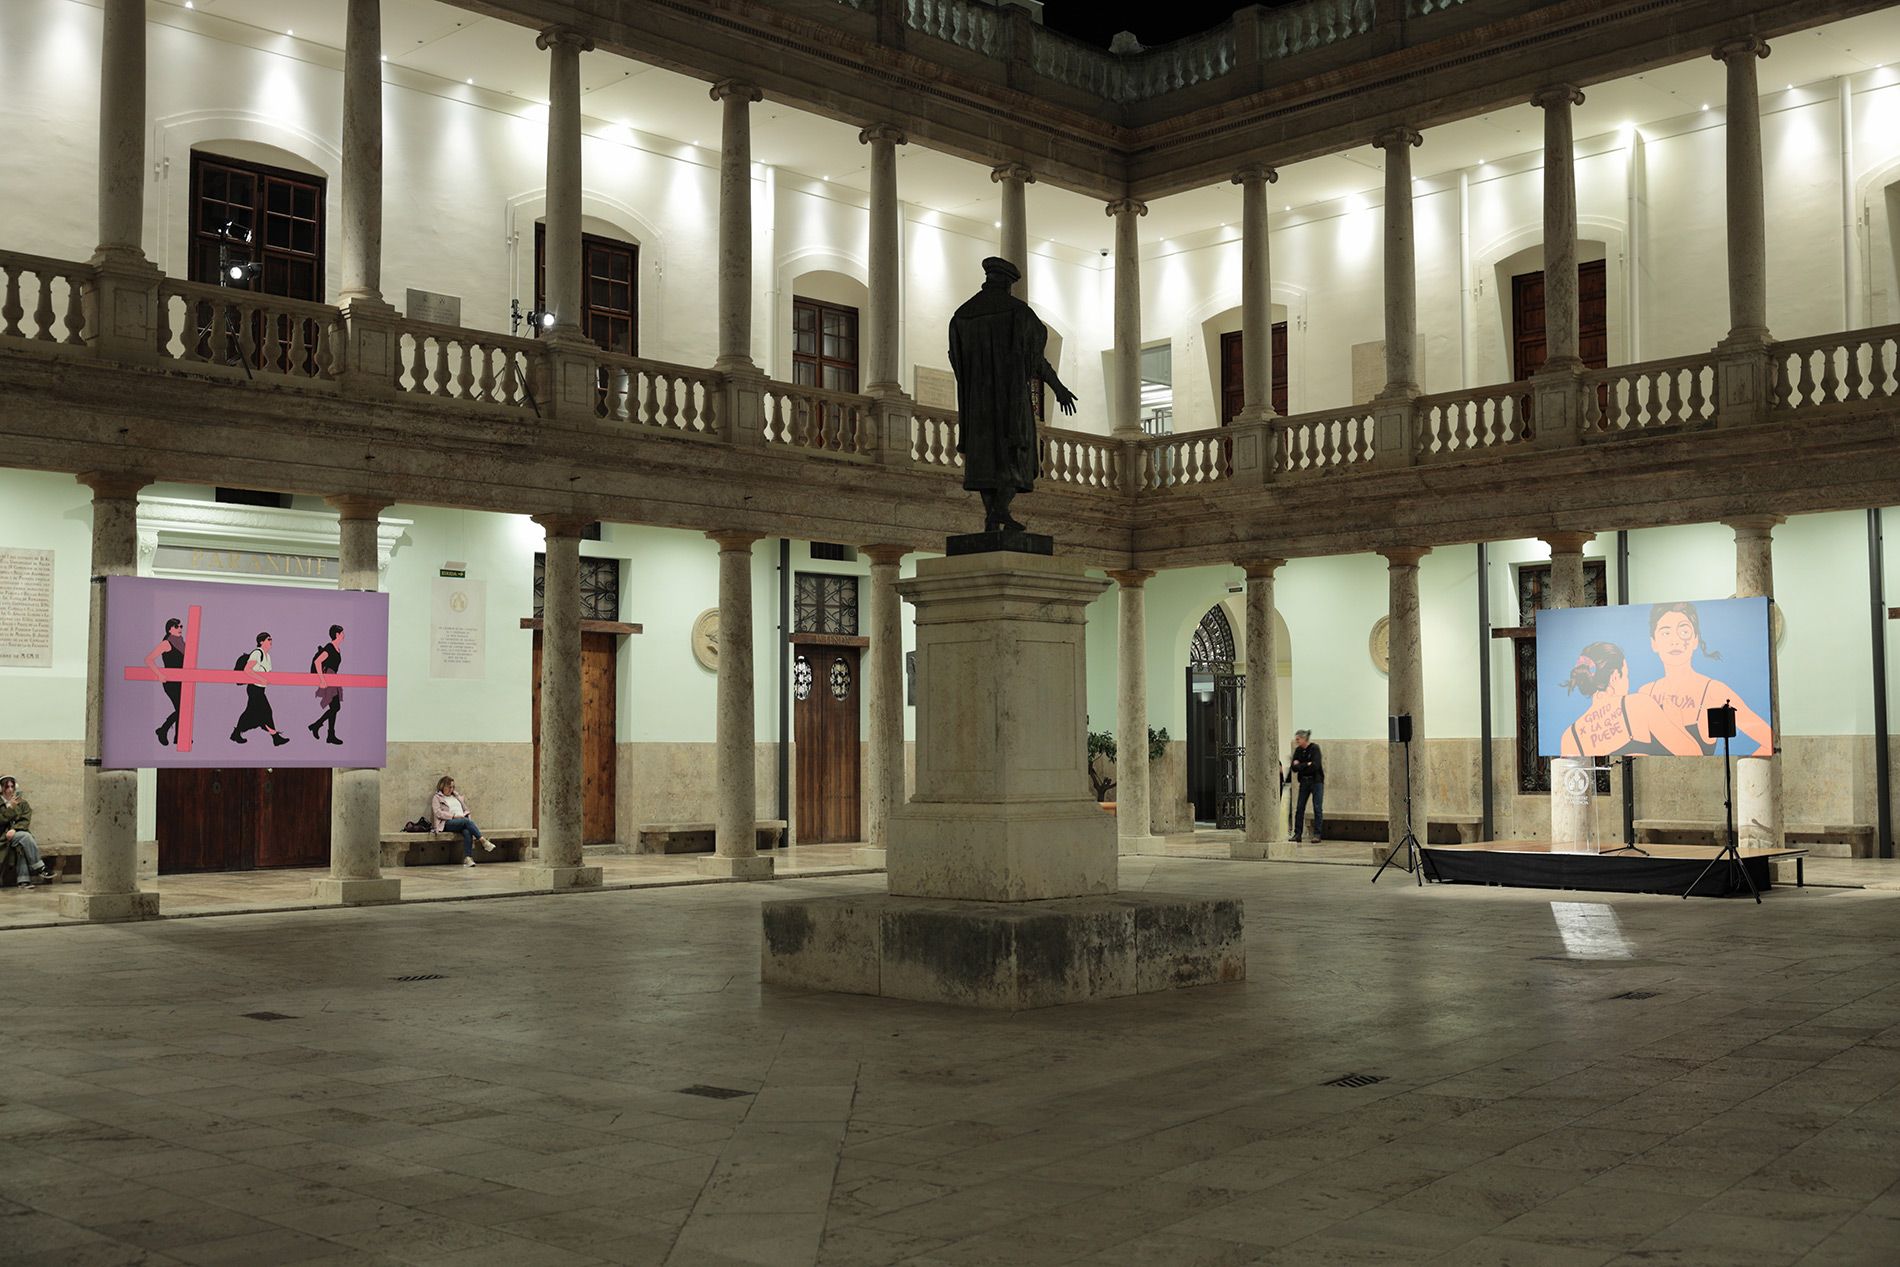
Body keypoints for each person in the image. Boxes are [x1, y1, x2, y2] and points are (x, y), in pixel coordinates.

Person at [947, 256, 1078, 533]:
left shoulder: (961, 316)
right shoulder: (1018, 313)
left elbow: (956, 362)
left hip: (977, 404)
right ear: (1007, 283)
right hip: (1010, 402)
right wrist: (1058, 388)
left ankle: (994, 516)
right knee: (1018, 458)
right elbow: (1036, 360)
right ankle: (999, 511)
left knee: (984, 463)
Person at [1635, 601, 1773, 756]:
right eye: (1666, 632)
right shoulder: (1646, 692)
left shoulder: (1714, 691)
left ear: (1695, 639)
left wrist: (1746, 772)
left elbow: (1768, 740)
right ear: (1654, 643)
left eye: (1684, 631)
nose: (1675, 641)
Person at [1558, 642, 1701, 757]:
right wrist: (1677, 723)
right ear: (1615, 676)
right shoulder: (1638, 705)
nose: (1628, 683)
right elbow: (1694, 754)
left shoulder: (1569, 737)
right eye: (1626, 675)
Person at [231, 632, 290, 747]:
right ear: (261, 642)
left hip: (260, 689)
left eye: (271, 639)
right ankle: (275, 737)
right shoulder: (257, 653)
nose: (271, 641)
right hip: (254, 688)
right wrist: (261, 679)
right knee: (267, 711)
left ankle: (236, 733)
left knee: (250, 713)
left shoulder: (267, 656)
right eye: (268, 639)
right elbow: (248, 670)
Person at [0, 776, 55, 887]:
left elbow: (25, 821)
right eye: (7, 787)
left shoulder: (23, 803)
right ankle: (40, 868)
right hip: (2, 837)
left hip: (16, 835)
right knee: (26, 837)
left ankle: (23, 881)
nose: (10, 790)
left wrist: (14, 830)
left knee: (23, 843)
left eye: (12, 786)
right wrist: (10, 808)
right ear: (1, 788)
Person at [432, 776, 493, 867]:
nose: (451, 789)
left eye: (453, 787)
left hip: (462, 821)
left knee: (467, 831)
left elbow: (466, 809)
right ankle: (483, 841)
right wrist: (453, 816)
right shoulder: (437, 798)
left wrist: (465, 814)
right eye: (449, 787)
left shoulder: (456, 797)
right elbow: (437, 813)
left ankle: (468, 858)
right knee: (466, 822)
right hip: (447, 822)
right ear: (442, 786)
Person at [146, 617, 186, 746]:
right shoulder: (166, 644)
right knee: (181, 709)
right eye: (176, 626)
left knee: (183, 709)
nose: (180, 629)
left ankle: (178, 737)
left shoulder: (182, 643)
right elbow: (149, 659)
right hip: (171, 682)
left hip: (182, 681)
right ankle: (163, 730)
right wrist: (159, 675)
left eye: (181, 626)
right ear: (169, 629)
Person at [309, 624, 345, 745]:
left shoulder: (337, 648)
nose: (344, 635)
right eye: (342, 633)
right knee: (335, 707)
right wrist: (322, 680)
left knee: (334, 708)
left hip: (333, 678)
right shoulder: (329, 647)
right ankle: (319, 726)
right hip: (328, 678)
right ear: (337, 634)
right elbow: (317, 661)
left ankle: (328, 733)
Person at [1289, 729, 1325, 843]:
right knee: (1299, 808)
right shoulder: (1298, 751)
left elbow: (1315, 765)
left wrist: (1301, 765)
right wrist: (1306, 764)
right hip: (1304, 782)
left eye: (1298, 739)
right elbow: (1294, 768)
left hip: (1316, 782)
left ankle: (1317, 834)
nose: (1296, 741)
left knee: (1317, 807)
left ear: (1304, 739)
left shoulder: (1314, 749)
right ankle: (1297, 833)